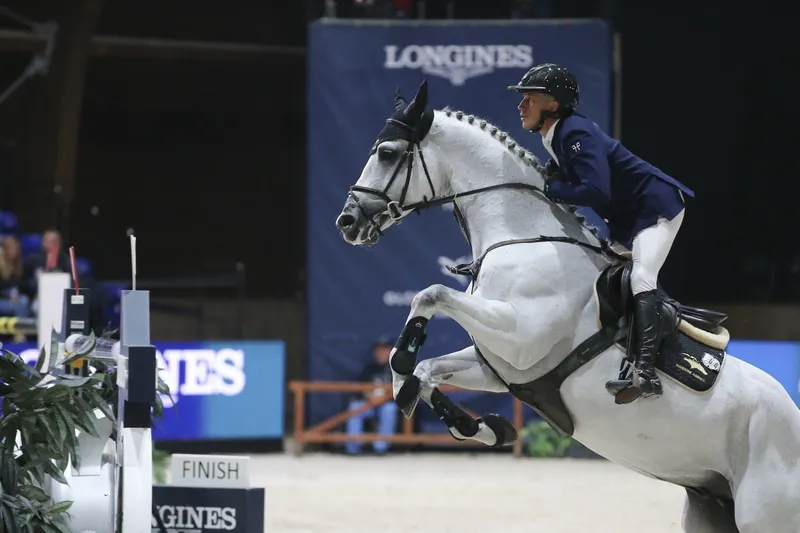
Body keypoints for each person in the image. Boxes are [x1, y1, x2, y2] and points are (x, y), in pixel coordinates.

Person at [507, 63, 695, 397]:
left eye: (529, 99)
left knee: (641, 278)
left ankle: (646, 373)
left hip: (655, 206)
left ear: (552, 104)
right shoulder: (556, 134)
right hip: (626, 217)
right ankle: (622, 352)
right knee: (606, 276)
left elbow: (597, 191)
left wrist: (551, 188)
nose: (521, 106)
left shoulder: (574, 132)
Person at [345, 337, 398, 454]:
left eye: (384, 350)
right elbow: (360, 388)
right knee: (355, 407)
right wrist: (370, 397)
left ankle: (380, 448)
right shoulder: (369, 369)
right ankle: (353, 447)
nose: (381, 353)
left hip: (386, 403)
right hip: (370, 403)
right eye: (379, 350)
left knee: (389, 410)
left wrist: (383, 398)